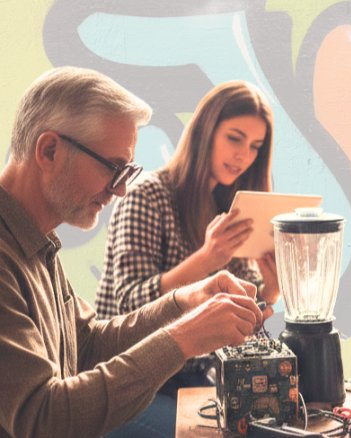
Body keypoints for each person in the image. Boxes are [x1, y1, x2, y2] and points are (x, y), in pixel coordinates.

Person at [0, 66, 270, 438]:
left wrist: (184, 302)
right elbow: (43, 419)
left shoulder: (35, 243)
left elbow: (89, 344)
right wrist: (184, 337)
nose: (120, 190)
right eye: (114, 168)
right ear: (49, 150)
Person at [94, 80, 278, 436]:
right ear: (205, 132)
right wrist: (208, 258)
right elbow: (129, 304)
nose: (244, 155)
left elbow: (237, 327)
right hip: (132, 383)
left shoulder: (228, 209)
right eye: (235, 138)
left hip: (194, 381)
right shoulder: (147, 195)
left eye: (255, 146)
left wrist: (269, 292)